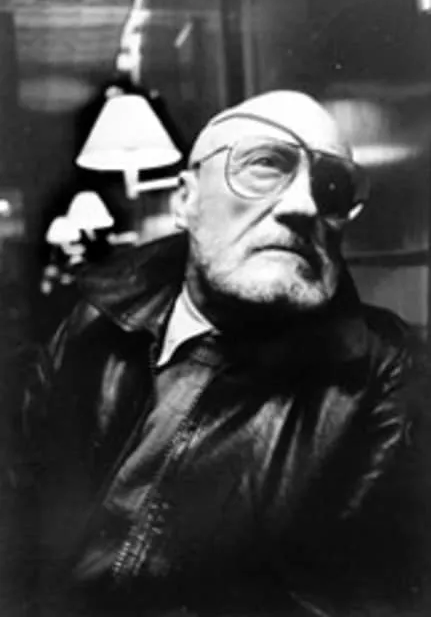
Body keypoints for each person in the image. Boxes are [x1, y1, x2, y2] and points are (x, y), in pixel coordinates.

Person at [9, 91, 431, 617]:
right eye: (264, 164)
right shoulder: (94, 319)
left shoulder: (388, 376)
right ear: (185, 202)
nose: (304, 205)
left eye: (331, 187)